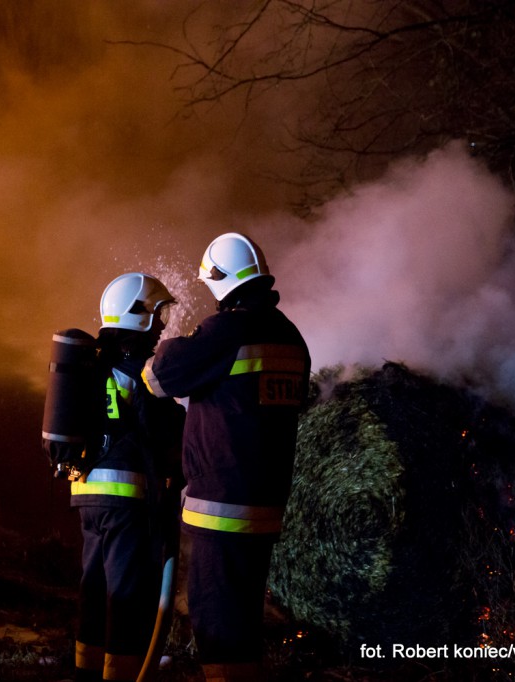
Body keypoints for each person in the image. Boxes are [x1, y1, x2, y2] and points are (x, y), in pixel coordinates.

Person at [141, 233, 310, 682]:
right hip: (264, 509)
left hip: (221, 508)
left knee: (217, 626)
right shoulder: (291, 337)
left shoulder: (226, 330)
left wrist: (175, 340)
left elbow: (159, 377)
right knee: (244, 625)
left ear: (218, 279)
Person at [71, 272, 184, 682]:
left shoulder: (91, 364)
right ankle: (122, 676)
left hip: (87, 495)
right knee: (127, 596)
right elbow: (166, 430)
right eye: (157, 316)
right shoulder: (141, 370)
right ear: (139, 315)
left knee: (94, 588)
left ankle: (86, 671)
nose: (161, 326)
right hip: (126, 500)